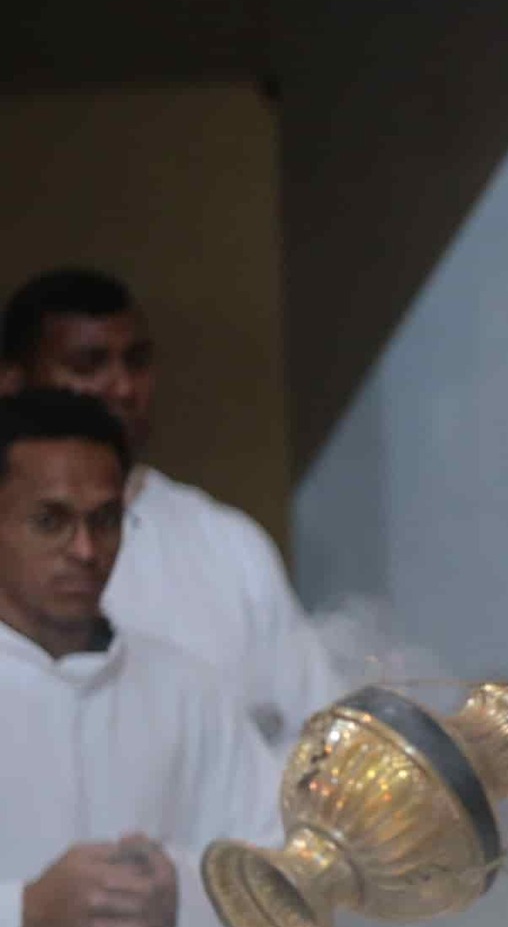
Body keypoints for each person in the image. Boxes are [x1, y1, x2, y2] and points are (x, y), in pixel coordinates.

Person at [0, 267, 324, 927]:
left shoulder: (187, 692)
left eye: (105, 522)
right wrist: (25, 911)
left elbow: (284, 868)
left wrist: (183, 887)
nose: (85, 549)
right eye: (51, 522)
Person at [0, 268, 341, 748]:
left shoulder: (226, 543)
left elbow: (317, 733)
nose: (122, 388)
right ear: (12, 381)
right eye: (89, 365)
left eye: (136, 362)